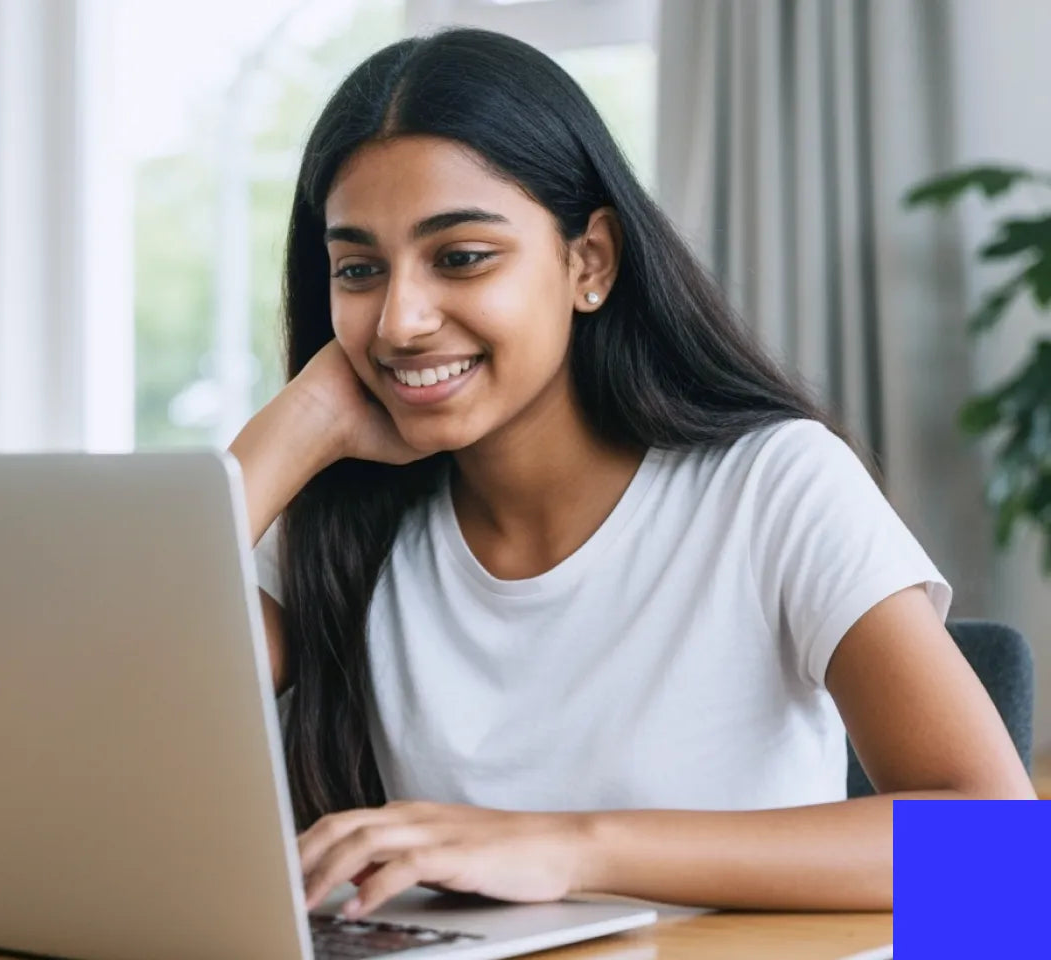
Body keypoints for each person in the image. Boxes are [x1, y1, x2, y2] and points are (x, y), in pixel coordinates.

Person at [228, 27, 1035, 922]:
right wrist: (295, 425)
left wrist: (566, 847)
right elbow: (95, 745)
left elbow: (1000, 858)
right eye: (359, 269)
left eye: (460, 257)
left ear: (590, 261)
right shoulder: (338, 521)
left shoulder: (773, 486)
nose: (399, 320)